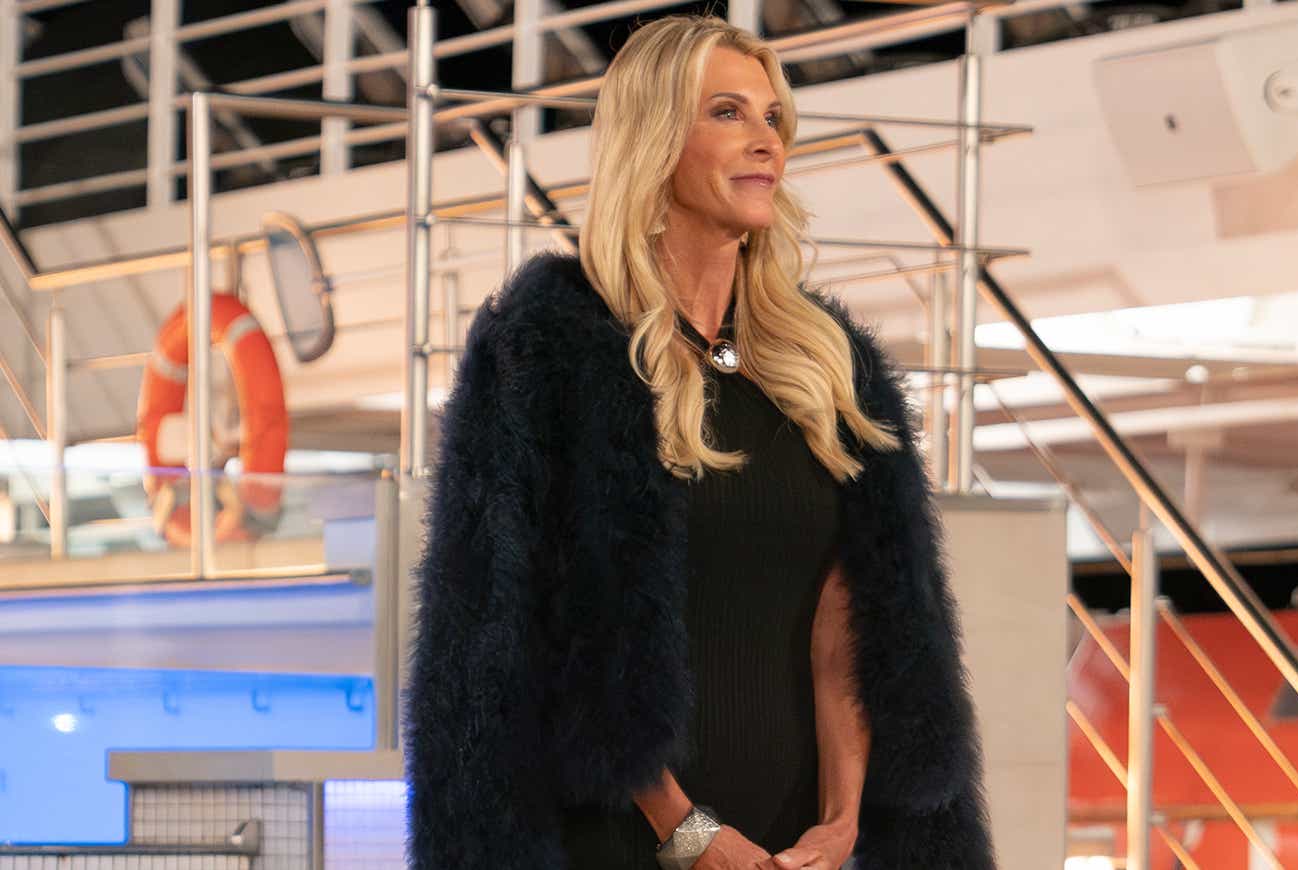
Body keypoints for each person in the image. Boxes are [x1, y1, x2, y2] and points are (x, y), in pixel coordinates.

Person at [405, 14, 994, 870]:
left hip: (800, 848)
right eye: (728, 113)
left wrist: (842, 822)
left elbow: (855, 617)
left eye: (772, 119)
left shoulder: (826, 366)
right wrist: (686, 831)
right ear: (655, 139)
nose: (765, 142)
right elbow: (534, 628)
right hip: (612, 840)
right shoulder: (555, 350)